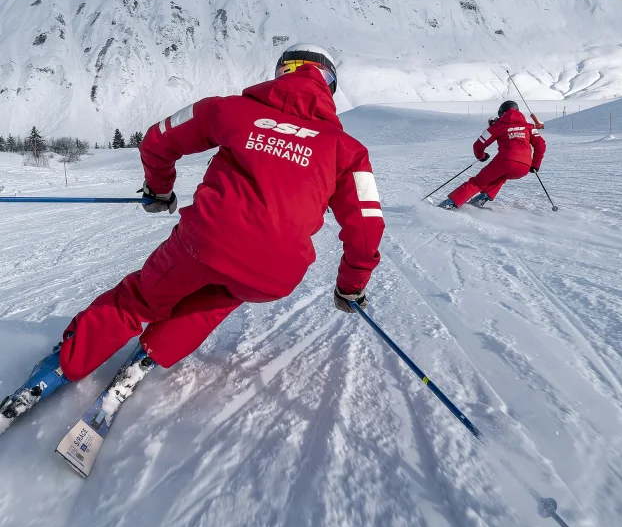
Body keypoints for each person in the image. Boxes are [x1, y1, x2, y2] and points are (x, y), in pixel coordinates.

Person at [1, 44, 385, 419]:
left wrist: (160, 188)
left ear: (282, 72)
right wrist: (351, 285)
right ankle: (147, 360)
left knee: (136, 300)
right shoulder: (348, 149)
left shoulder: (228, 109)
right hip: (275, 275)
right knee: (215, 299)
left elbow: (158, 139)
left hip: (206, 242)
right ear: (329, 85)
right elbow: (368, 227)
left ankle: (62, 368)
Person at [439, 100, 546, 210]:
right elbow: (541, 145)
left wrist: (481, 156)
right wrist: (535, 165)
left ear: (501, 113)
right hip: (524, 166)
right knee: (501, 177)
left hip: (505, 161)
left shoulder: (498, 126)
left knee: (478, 182)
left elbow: (478, 145)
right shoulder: (529, 127)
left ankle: (450, 203)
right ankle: (483, 197)